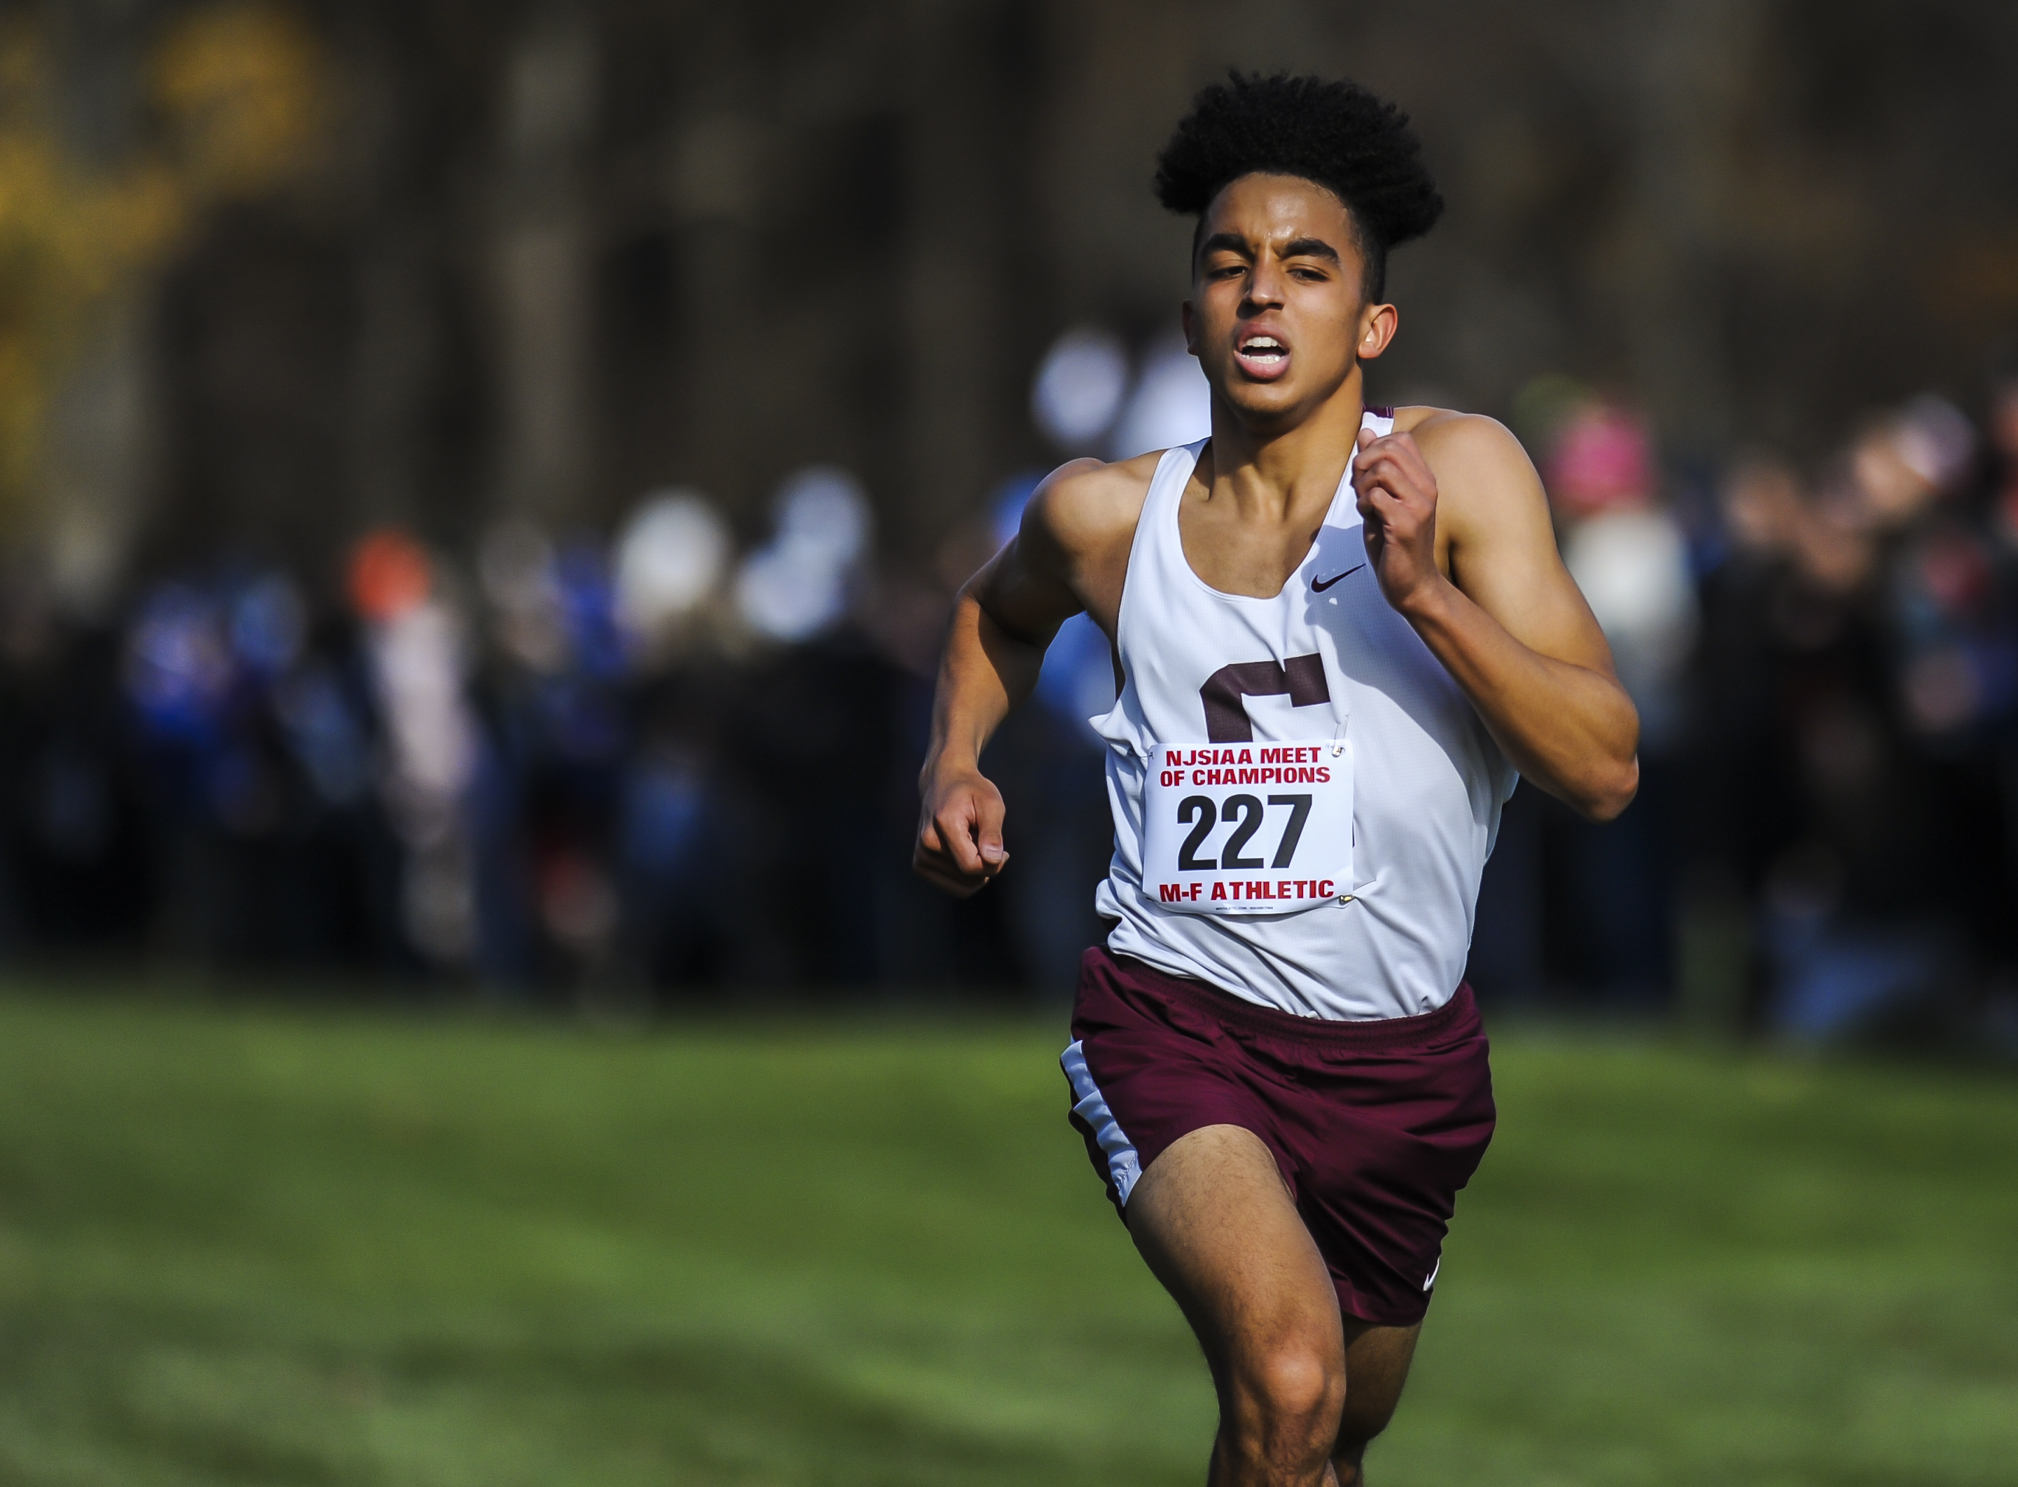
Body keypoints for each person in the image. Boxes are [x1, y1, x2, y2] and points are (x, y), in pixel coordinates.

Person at [914, 72, 1639, 1485]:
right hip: (1177, 1016)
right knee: (1289, 1377)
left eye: (1305, 269)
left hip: (1403, 1065)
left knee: (1325, 1439)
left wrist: (1426, 595)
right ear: (1188, 312)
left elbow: (1603, 766)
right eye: (1228, 267)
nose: (1261, 297)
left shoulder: (1461, 475)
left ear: (1370, 322)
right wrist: (953, 761)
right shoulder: (1103, 515)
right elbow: (988, 613)